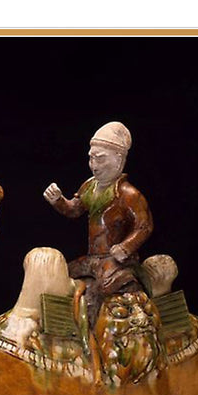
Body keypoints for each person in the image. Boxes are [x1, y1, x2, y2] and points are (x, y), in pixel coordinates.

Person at [43, 121, 152, 326]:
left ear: (119, 159)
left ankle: (98, 333)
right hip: (93, 258)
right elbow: (74, 210)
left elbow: (144, 226)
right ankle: (61, 326)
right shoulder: (89, 187)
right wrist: (59, 201)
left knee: (101, 290)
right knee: (61, 274)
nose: (94, 165)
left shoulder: (129, 195)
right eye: (91, 158)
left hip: (116, 260)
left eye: (100, 158)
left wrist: (126, 247)